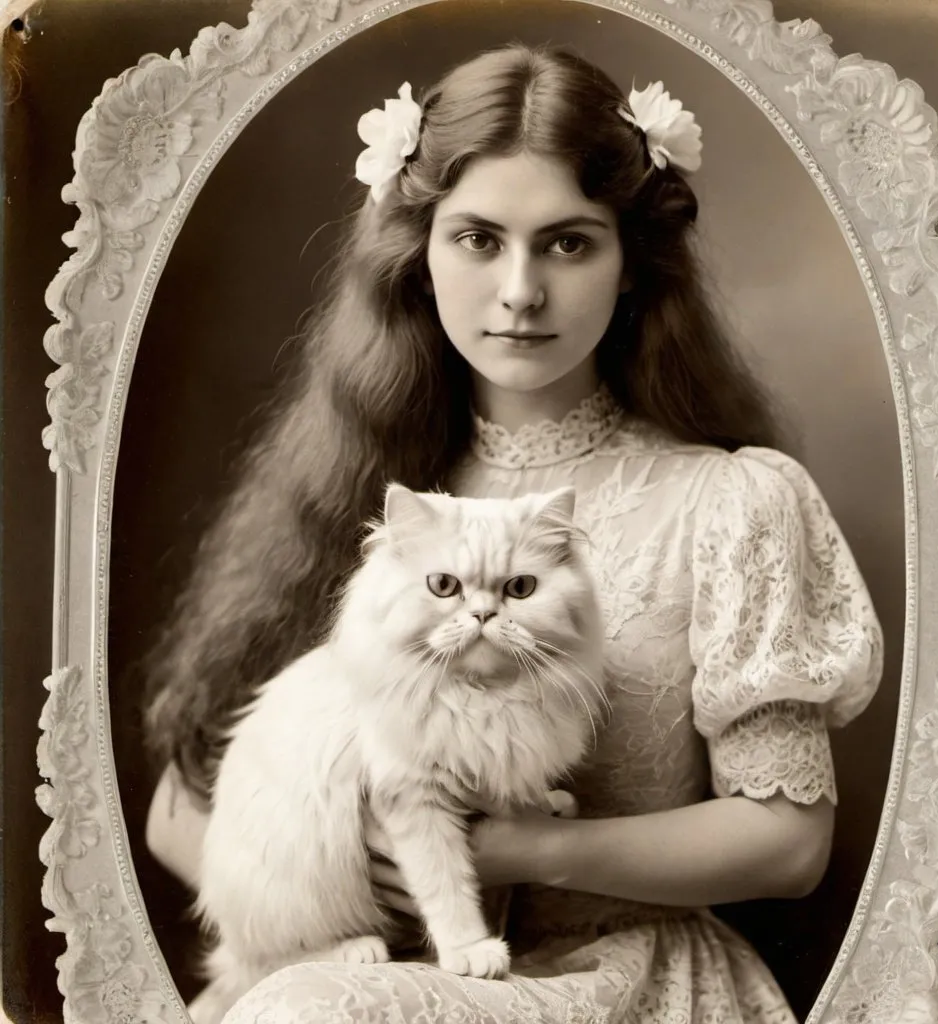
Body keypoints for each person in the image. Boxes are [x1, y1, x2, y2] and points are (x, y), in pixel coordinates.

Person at [143, 43, 884, 1023]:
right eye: (478, 239)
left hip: (620, 985)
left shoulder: (731, 502)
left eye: (568, 242)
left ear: (630, 267)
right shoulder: (360, 488)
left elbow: (789, 843)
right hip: (362, 969)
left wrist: (522, 851)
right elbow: (172, 812)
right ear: (419, 253)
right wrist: (340, 865)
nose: (520, 291)